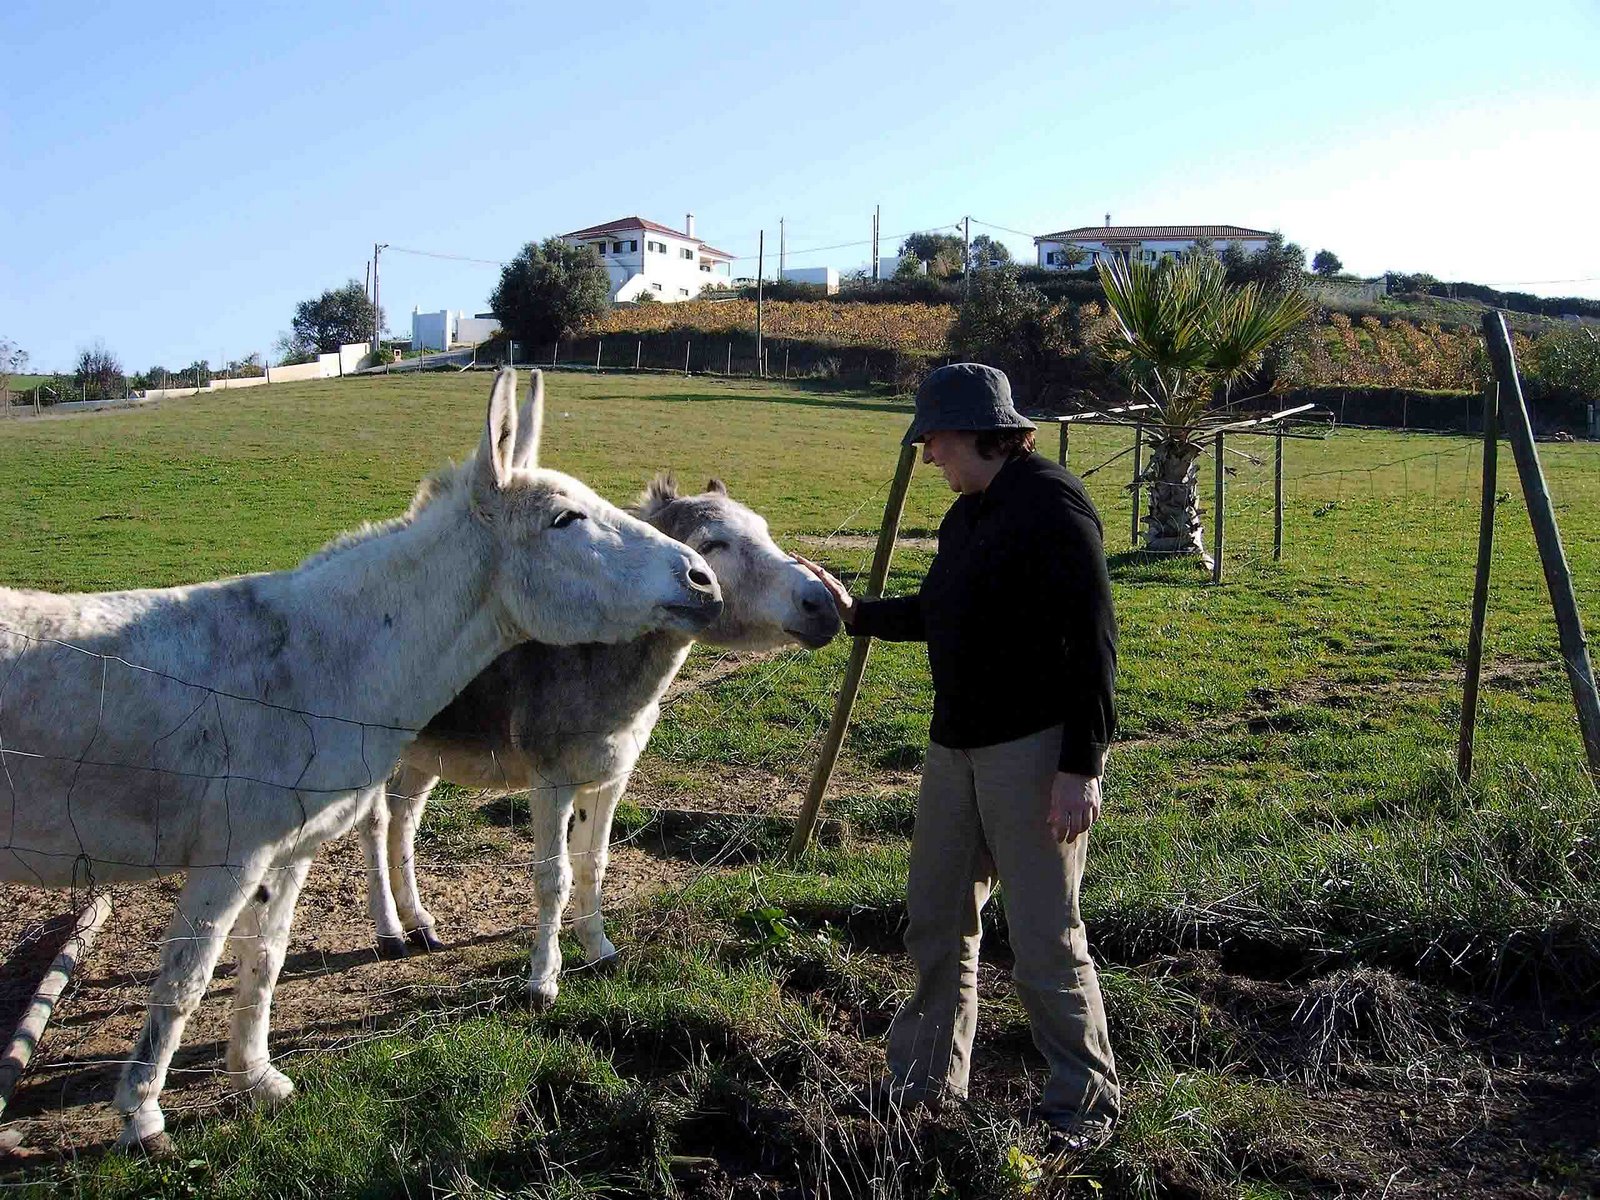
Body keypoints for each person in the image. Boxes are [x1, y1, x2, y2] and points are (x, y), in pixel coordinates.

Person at [795, 362, 1120, 1138]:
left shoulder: (1052, 502)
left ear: (978, 431)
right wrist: (859, 614)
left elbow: (1096, 638)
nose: (927, 454)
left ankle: (1084, 1104)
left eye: (933, 439)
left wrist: (1082, 763)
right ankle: (927, 1090)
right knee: (937, 921)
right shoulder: (966, 516)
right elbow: (943, 612)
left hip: (1035, 751)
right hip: (955, 749)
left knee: (1045, 936)